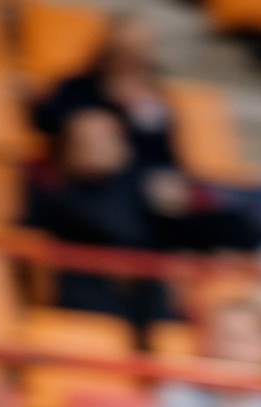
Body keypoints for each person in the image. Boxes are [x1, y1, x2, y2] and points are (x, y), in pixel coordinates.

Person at [22, 106, 182, 332]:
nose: (101, 146)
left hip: (148, 299)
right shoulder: (57, 197)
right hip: (88, 302)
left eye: (108, 138)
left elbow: (182, 231)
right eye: (89, 141)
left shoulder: (136, 189)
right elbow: (121, 231)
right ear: (70, 149)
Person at [32, 16, 179, 173]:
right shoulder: (77, 86)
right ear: (107, 52)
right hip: (83, 177)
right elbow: (45, 119)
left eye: (136, 53)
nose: (128, 61)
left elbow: (161, 151)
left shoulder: (152, 93)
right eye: (123, 51)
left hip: (140, 179)